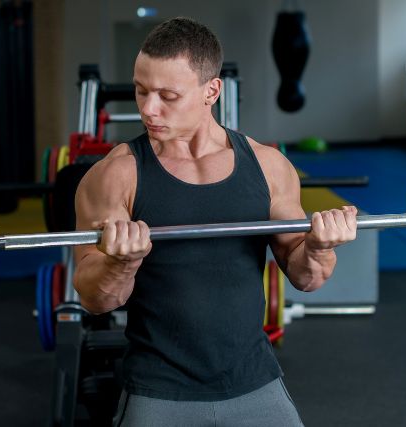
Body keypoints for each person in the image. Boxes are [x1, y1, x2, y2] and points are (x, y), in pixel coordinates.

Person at [73, 17, 357, 427]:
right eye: (141, 91)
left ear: (212, 91)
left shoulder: (268, 167)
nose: (148, 109)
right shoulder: (116, 175)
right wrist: (121, 262)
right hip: (159, 389)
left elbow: (307, 277)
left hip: (254, 381)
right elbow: (97, 299)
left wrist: (318, 246)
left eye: (168, 95)